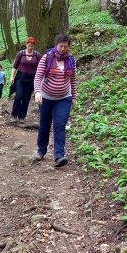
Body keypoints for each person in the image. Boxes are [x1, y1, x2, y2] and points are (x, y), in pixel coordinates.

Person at [33, 33, 76, 168]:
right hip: (46, 97)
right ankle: (41, 150)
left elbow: (73, 80)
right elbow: (38, 76)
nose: (63, 49)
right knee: (45, 124)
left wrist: (73, 96)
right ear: (56, 45)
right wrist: (37, 92)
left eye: (65, 47)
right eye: (61, 46)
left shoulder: (70, 60)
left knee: (59, 124)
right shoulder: (47, 58)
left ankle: (59, 156)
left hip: (64, 98)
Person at [10, 37, 42, 123]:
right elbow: (15, 66)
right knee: (19, 95)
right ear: (26, 45)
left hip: (31, 79)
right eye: (29, 45)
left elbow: (41, 67)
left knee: (26, 98)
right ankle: (13, 115)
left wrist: (40, 79)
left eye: (32, 46)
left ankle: (21, 117)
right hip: (20, 78)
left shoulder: (37, 55)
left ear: (34, 46)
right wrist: (12, 76)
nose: (30, 47)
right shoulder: (21, 54)